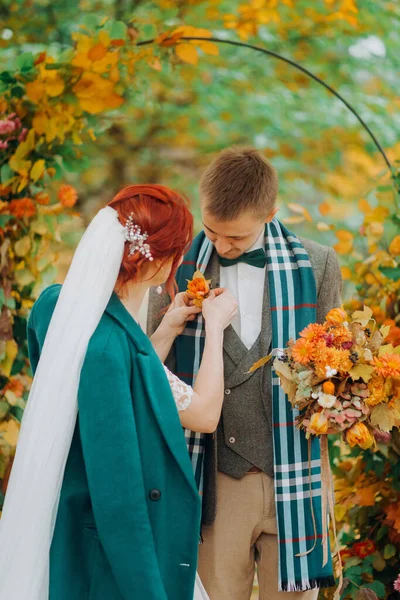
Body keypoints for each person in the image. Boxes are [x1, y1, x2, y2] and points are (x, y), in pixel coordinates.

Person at [0, 184, 237, 600]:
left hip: (61, 522)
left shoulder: (56, 308)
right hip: (107, 555)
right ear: (163, 261)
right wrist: (214, 328)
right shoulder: (111, 351)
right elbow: (201, 416)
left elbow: (117, 387)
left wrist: (162, 332)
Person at [148, 147, 343, 599]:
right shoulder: (174, 270)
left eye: (235, 238)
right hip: (212, 480)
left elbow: (337, 366)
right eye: (211, 231)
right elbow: (152, 371)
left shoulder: (319, 265)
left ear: (270, 214)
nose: (220, 246)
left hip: (296, 475)